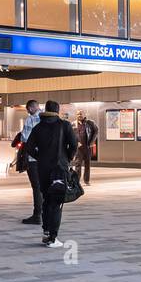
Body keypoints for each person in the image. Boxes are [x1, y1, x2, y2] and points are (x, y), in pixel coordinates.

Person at [25, 99, 77, 249]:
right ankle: (52, 238)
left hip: (42, 169)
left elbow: (29, 147)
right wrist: (66, 158)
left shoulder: (38, 127)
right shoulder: (64, 125)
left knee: (47, 200)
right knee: (56, 202)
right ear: (57, 110)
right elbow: (73, 145)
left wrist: (40, 157)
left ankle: (46, 232)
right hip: (59, 170)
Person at [20, 100, 43, 225]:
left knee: (36, 186)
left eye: (28, 109)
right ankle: (47, 213)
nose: (28, 111)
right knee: (45, 185)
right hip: (47, 158)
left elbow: (25, 137)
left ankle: (37, 214)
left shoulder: (31, 119)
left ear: (31, 107)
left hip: (34, 157)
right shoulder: (48, 119)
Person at [71, 111, 98, 186]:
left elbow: (96, 130)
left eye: (81, 114)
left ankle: (86, 180)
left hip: (87, 147)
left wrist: (92, 141)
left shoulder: (90, 123)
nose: (79, 115)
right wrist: (76, 143)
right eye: (78, 114)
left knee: (87, 164)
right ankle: (76, 181)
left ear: (84, 115)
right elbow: (70, 135)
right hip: (78, 148)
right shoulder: (73, 124)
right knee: (77, 164)